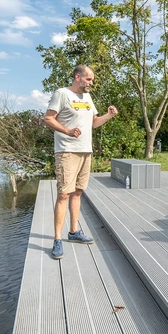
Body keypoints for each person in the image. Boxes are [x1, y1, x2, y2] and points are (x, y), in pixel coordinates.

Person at [44, 65, 118, 259]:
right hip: (67, 151)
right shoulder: (62, 94)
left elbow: (94, 122)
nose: (91, 83)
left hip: (86, 151)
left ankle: (74, 231)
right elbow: (48, 118)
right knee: (63, 194)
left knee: (77, 192)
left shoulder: (87, 97)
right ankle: (57, 240)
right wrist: (67, 131)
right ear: (78, 77)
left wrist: (108, 116)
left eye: (92, 80)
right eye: (89, 79)